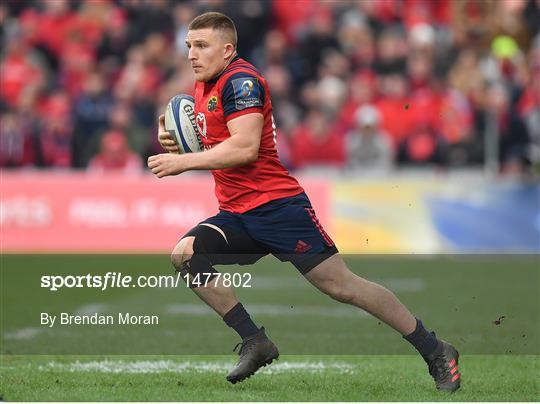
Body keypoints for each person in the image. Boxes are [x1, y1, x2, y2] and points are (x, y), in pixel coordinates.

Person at [147, 12, 460, 391]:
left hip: (278, 208)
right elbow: (211, 134)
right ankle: (255, 340)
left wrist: (184, 161)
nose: (192, 55)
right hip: (237, 212)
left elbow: (245, 148)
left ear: (227, 49)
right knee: (185, 254)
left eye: (201, 46)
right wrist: (176, 139)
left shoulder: (240, 82)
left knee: (343, 287)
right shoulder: (203, 85)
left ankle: (435, 349)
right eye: (189, 47)